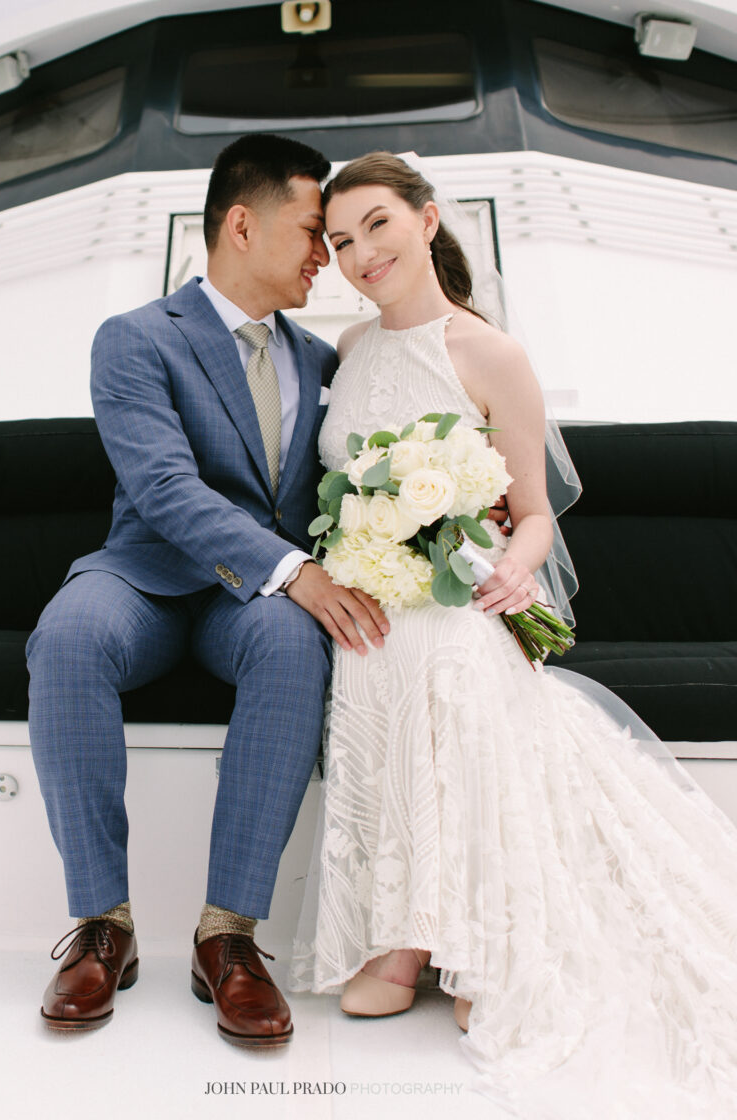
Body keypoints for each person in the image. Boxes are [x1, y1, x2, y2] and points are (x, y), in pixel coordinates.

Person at [289, 152, 737, 1116]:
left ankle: (481, 939)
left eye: (376, 225)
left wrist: (513, 564)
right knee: (373, 662)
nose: (360, 253)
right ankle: (393, 940)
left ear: (427, 218)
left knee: (445, 657)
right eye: (339, 240)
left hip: (455, 607)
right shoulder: (348, 353)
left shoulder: (490, 353)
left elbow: (534, 511)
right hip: (370, 603)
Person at [26, 133, 391, 1045]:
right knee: (67, 637)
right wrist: (293, 571)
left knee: (293, 643)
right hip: (144, 579)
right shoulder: (137, 338)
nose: (327, 256)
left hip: (253, 607)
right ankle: (100, 925)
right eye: (314, 232)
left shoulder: (324, 360)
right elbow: (163, 487)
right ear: (241, 222)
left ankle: (228, 937)